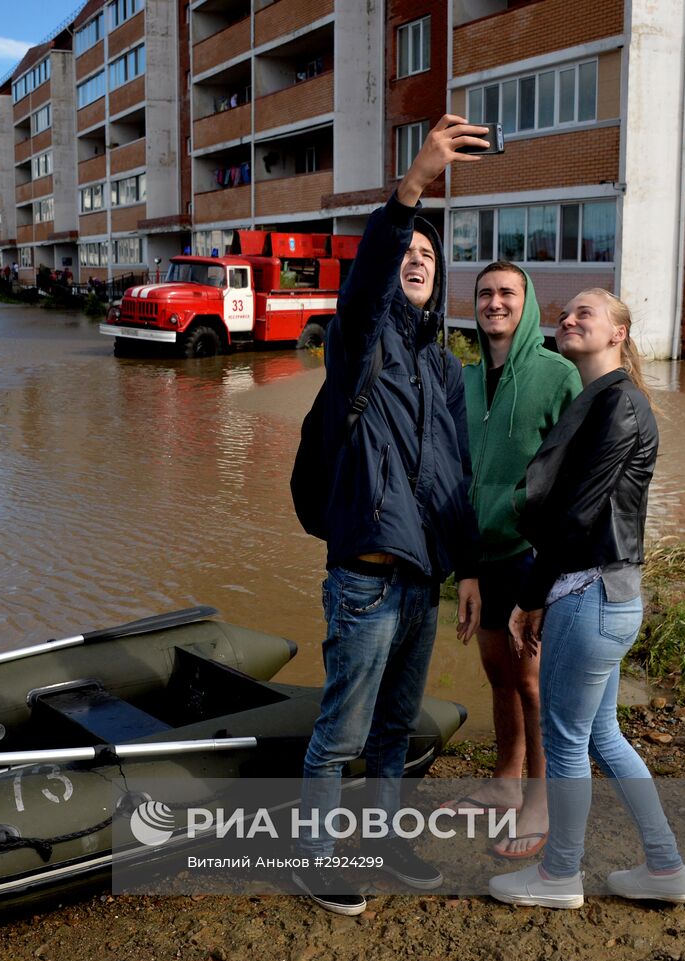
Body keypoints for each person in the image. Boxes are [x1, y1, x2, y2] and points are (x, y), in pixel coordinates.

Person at [293, 114, 485, 915]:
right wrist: (411, 191)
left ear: (440, 279)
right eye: (409, 252)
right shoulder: (358, 342)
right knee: (340, 733)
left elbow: (451, 475)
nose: (415, 261)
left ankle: (384, 843)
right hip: (367, 581)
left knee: (395, 734)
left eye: (428, 257)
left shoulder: (442, 364)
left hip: (421, 585)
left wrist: (468, 565)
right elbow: (367, 282)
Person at [488, 289, 685, 909]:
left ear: (619, 335)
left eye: (587, 313)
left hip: (590, 591)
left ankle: (558, 876)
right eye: (567, 312)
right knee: (603, 734)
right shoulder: (604, 399)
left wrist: (530, 597)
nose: (569, 318)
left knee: (568, 739)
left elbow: (577, 516)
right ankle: (665, 867)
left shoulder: (618, 405)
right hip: (609, 594)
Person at [447, 263, 581, 860]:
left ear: (527, 306)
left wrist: (554, 567)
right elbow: (458, 478)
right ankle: (505, 781)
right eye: (485, 294)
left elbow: (579, 480)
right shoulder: (467, 380)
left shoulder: (557, 375)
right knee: (499, 674)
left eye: (507, 293)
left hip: (533, 556)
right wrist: (466, 568)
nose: (494, 303)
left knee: (532, 684)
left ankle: (539, 799)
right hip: (485, 554)